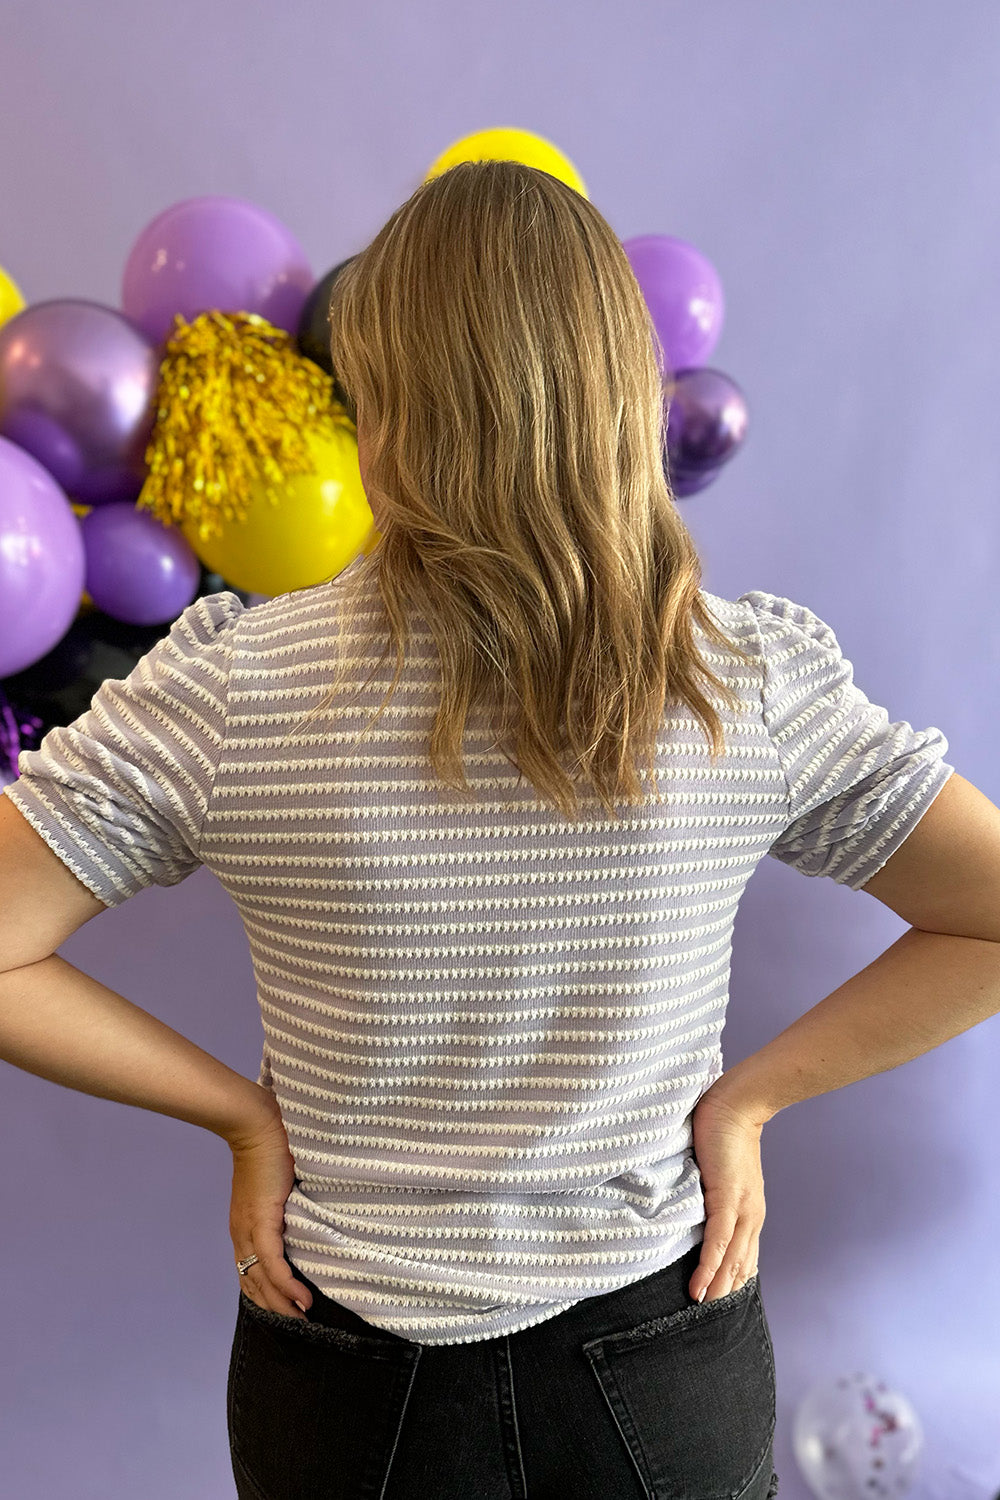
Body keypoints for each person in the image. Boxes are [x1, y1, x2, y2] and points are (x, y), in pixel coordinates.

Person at [2, 160, 999, 1500]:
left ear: (382, 392)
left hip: (351, 1386)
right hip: (659, 1368)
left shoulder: (232, 688)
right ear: (612, 386)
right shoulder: (741, 678)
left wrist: (242, 1121)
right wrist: (758, 1100)